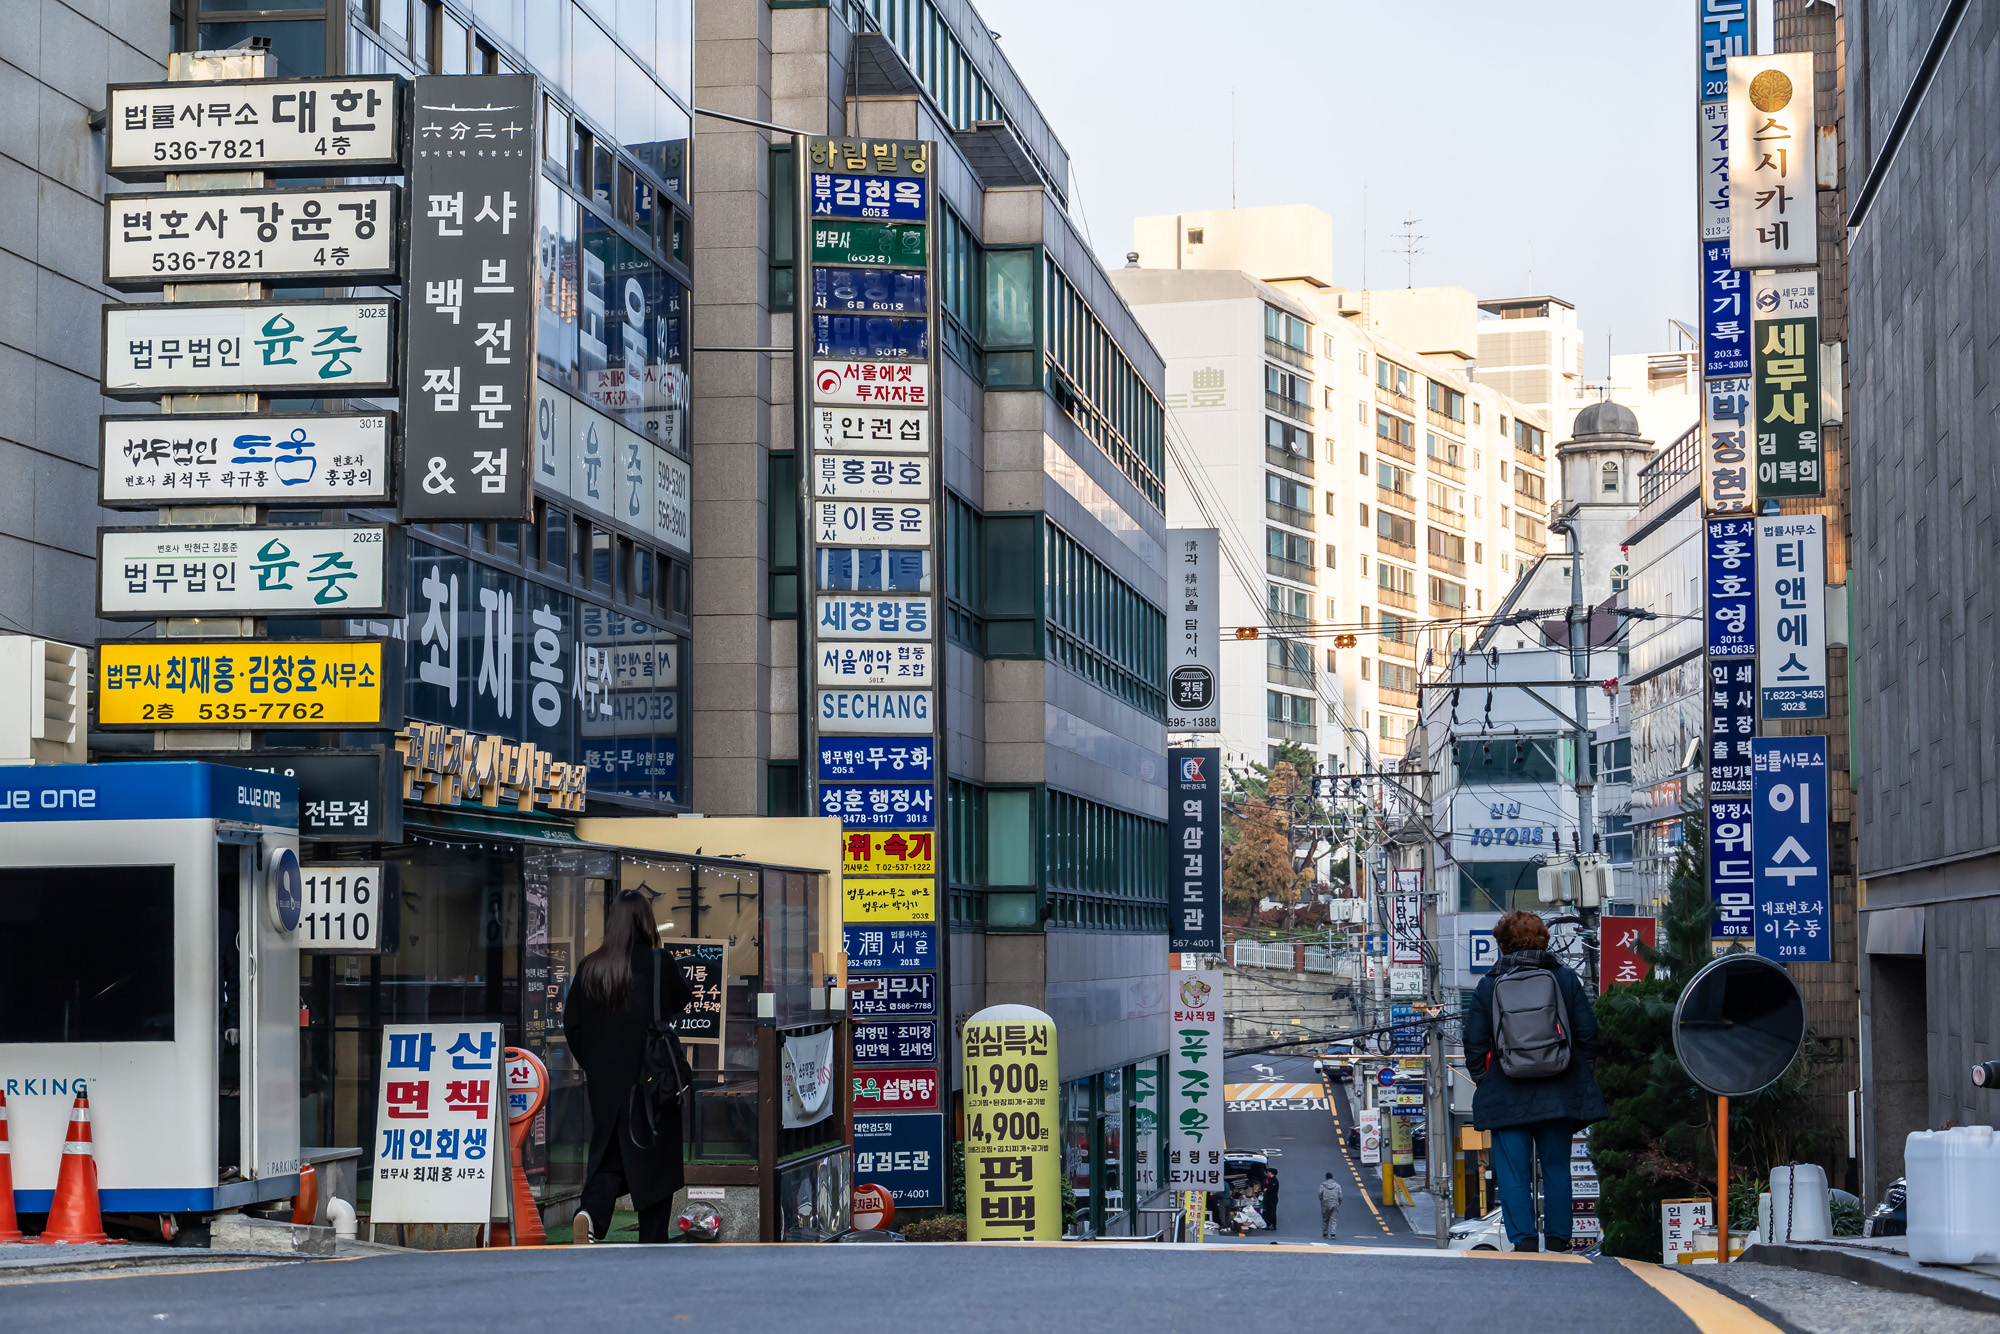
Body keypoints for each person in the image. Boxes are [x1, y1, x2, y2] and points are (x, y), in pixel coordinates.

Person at [1462, 909, 1607, 1252]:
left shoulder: (1489, 984)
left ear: (1503, 944)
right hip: (1558, 1090)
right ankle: (1558, 1239)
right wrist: (1576, 1071)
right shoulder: (1564, 979)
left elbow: (1474, 1041)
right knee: (1557, 1168)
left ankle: (1524, 1240)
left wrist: (1486, 1078)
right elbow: (1588, 1033)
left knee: (1513, 1172)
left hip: (1507, 1090)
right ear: (1544, 939)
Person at [563, 890, 695, 1244]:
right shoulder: (658, 962)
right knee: (655, 1156)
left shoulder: (589, 966)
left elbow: (571, 1025)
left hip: (605, 1083)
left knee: (608, 1156)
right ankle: (652, 1237)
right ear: (645, 921)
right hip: (652, 1081)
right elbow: (683, 999)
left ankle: (589, 1215)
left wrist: (595, 1063)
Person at [1318, 1171, 1344, 1239]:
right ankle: (1333, 1233)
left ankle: (1325, 1233)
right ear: (1332, 1177)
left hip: (1325, 1204)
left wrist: (1322, 1200)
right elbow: (1340, 1196)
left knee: (1325, 1219)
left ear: (1326, 1178)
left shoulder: (1322, 1185)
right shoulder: (1337, 1186)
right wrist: (1339, 1203)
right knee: (1333, 1219)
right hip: (1335, 1203)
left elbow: (1320, 1194)